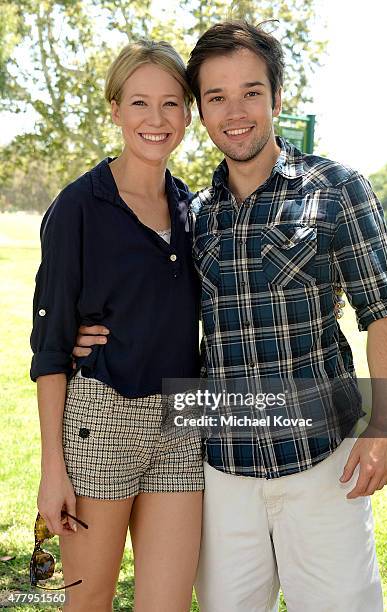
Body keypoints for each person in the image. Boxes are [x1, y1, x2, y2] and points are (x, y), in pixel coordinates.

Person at [74, 21, 387, 612]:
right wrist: (88, 332)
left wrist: (385, 425)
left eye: (252, 92)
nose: (237, 111)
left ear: (278, 99)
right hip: (222, 466)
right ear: (201, 112)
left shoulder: (336, 189)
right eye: (217, 97)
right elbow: (145, 289)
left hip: (324, 460)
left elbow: (382, 309)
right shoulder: (192, 215)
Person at [30, 40, 204, 612]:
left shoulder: (190, 208)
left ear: (187, 113)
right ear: (114, 109)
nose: (156, 120)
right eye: (138, 103)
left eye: (171, 104)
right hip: (101, 419)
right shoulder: (78, 207)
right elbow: (51, 349)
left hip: (181, 420)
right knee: (90, 602)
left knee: (168, 603)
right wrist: (52, 473)